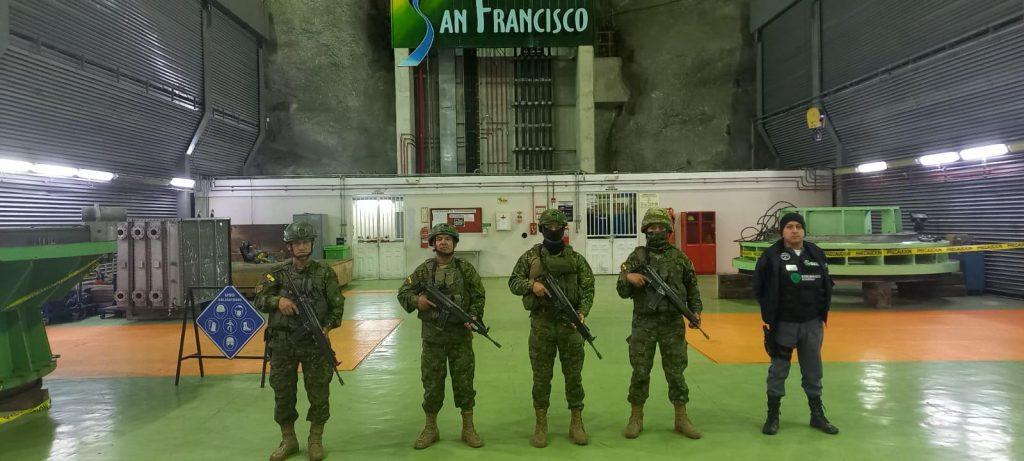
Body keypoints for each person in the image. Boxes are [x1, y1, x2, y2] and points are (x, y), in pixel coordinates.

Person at [255, 221, 346, 461]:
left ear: (312, 244)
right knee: (283, 393)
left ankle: (315, 440)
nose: (302, 247)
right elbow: (259, 299)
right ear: (289, 246)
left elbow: (337, 307)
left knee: (318, 393)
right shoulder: (277, 273)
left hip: (314, 344)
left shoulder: (324, 272)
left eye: (306, 242)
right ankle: (288, 440)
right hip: (282, 344)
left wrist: (326, 327)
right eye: (297, 243)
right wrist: (278, 302)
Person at [508, 208, 595, 447]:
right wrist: (531, 285)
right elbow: (513, 282)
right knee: (541, 377)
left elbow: (588, 288)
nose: (554, 232)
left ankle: (576, 422)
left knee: (574, 376)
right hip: (542, 325)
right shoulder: (530, 257)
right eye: (549, 228)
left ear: (564, 230)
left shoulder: (576, 258)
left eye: (558, 228)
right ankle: (540, 424)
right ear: (542, 229)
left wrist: (582, 312)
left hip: (570, 326)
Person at [397, 223, 486, 449]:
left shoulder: (465, 268)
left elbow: (478, 294)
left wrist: (474, 316)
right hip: (433, 340)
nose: (443, 242)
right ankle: (431, 428)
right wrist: (418, 301)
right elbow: (403, 292)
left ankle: (468, 427)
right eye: (439, 239)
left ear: (454, 243)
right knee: (432, 385)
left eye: (448, 238)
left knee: (464, 383)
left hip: (460, 339)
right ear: (433, 244)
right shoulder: (424, 270)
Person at [616, 208, 703, 439]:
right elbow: (621, 290)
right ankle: (636, 417)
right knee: (641, 371)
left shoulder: (680, 258)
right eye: (652, 228)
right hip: (644, 323)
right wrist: (628, 277)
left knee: (676, 372)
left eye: (660, 227)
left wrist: (696, 312)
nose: (656, 231)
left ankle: (681, 418)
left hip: (672, 323)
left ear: (668, 230)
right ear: (646, 230)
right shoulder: (637, 258)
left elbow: (692, 288)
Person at [752, 212, 839, 436]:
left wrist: (820, 315)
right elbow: (758, 287)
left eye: (798, 226)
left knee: (813, 371)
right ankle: (772, 416)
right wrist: (771, 315)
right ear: (782, 231)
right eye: (789, 226)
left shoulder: (816, 253)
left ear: (804, 230)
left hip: (812, 324)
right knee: (778, 370)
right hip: (784, 325)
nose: (794, 230)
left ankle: (817, 415)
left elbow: (826, 283)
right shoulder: (771, 256)